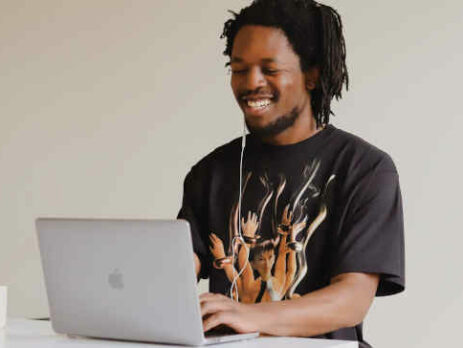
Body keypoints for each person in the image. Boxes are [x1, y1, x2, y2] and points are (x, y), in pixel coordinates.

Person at [177, 1, 405, 347]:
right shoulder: (209, 173)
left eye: (269, 69)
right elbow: (177, 272)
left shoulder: (365, 169)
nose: (251, 82)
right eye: (239, 69)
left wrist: (247, 315)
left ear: (311, 74)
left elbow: (352, 301)